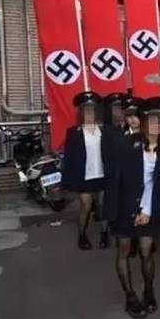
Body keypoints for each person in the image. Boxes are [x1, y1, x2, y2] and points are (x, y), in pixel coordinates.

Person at [105, 97, 160, 319]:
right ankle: (130, 295)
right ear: (144, 121)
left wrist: (154, 210)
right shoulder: (124, 144)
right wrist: (113, 212)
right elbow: (114, 181)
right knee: (124, 249)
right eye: (152, 120)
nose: (158, 125)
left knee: (146, 250)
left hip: (151, 208)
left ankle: (149, 289)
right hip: (125, 207)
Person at [63, 91, 111, 250]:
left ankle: (104, 234)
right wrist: (69, 181)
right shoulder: (74, 132)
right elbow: (69, 159)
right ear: (81, 113)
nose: (90, 114)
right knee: (86, 206)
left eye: (92, 110)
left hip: (102, 175)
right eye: (87, 111)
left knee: (104, 206)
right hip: (84, 177)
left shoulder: (104, 131)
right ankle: (82, 235)